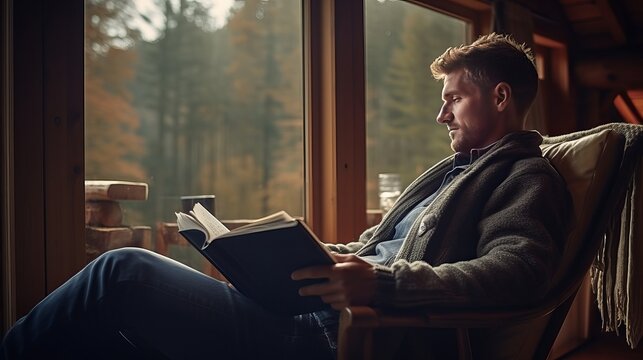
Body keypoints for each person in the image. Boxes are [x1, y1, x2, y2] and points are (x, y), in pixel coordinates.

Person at [1, 33, 570, 359]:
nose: (439, 113)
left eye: (453, 99)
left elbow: (515, 272)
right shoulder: (451, 173)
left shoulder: (525, 178)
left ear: (499, 97)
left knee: (119, 273)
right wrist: (285, 248)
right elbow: (372, 248)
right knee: (112, 337)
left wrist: (380, 282)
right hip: (305, 308)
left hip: (331, 334)